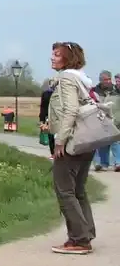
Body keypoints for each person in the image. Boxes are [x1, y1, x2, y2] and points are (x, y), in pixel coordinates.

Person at [47, 41, 98, 254]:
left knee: (65, 190)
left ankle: (79, 239)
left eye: (57, 55)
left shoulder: (67, 79)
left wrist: (60, 140)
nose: (52, 58)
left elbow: (70, 110)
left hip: (72, 142)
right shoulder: (83, 80)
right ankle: (86, 232)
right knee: (79, 190)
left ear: (68, 58)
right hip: (89, 139)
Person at [90, 71, 120, 172]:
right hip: (101, 120)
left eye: (109, 79)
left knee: (116, 140)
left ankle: (118, 163)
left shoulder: (116, 90)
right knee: (103, 142)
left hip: (115, 119)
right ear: (100, 80)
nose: (108, 81)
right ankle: (104, 164)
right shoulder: (95, 91)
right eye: (105, 80)